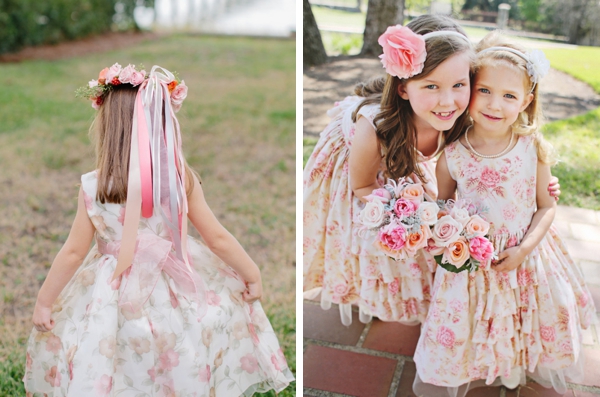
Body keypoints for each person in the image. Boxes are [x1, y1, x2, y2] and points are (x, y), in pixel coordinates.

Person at [23, 64, 294, 396]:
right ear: (161, 124)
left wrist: (44, 301)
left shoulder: (94, 186)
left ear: (106, 127)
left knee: (114, 352)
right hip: (172, 283)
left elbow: (73, 252)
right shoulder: (179, 178)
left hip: (112, 291)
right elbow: (217, 238)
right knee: (179, 348)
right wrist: (251, 272)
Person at [303, 15, 560, 326]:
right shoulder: (373, 128)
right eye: (431, 86)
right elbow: (361, 187)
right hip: (359, 174)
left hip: (402, 169)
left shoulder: (466, 112)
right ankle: (369, 290)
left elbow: (498, 156)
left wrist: (532, 176)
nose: (447, 100)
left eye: (459, 85)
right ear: (403, 89)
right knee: (369, 243)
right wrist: (406, 214)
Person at [413, 32, 596, 396]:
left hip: (524, 254)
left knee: (520, 317)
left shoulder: (532, 147)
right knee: (471, 320)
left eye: (509, 96)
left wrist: (525, 249)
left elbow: (546, 205)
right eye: (484, 91)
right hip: (471, 264)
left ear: (526, 101)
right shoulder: (452, 155)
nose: (495, 105)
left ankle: (511, 368)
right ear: (469, 91)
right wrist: (438, 232)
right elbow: (443, 207)